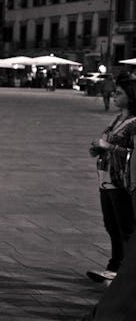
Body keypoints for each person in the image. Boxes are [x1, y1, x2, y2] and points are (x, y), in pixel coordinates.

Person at [86, 72, 136, 285]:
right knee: (111, 225)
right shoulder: (118, 119)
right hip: (105, 178)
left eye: (120, 93)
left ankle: (123, 272)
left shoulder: (134, 123)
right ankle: (114, 266)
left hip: (121, 181)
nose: (114, 96)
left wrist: (108, 146)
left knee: (125, 227)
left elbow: (132, 154)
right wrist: (97, 149)